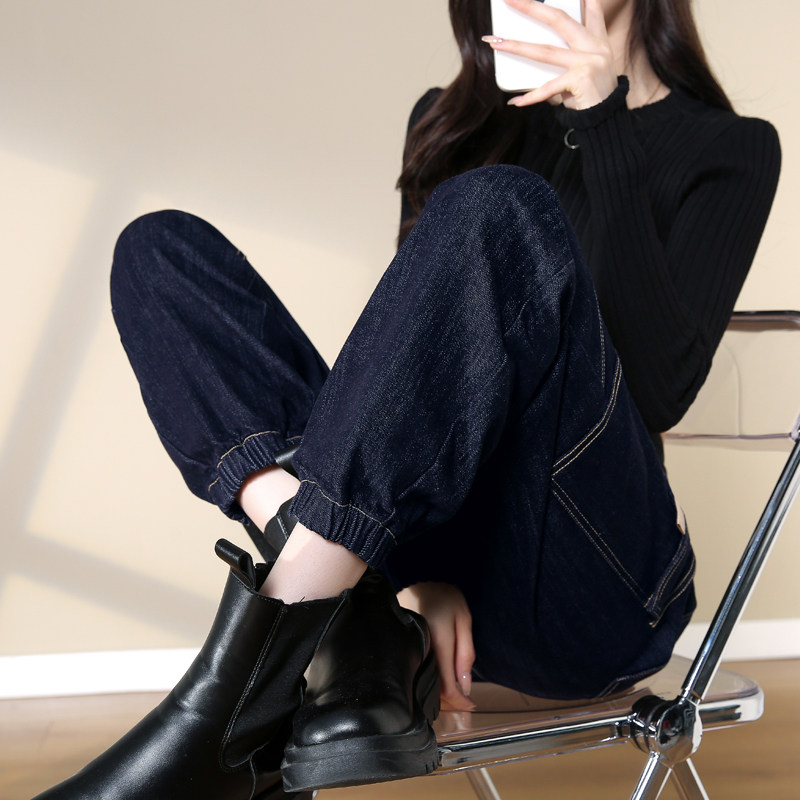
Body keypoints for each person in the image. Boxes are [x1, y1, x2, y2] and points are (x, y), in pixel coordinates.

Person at [31, 1, 780, 799]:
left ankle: (235, 697)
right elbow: (418, 381)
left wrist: (604, 121)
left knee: (501, 205)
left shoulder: (730, 148)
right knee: (158, 253)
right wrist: (408, 581)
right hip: (419, 568)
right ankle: (357, 611)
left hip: (586, 588)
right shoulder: (451, 123)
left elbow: (658, 392)